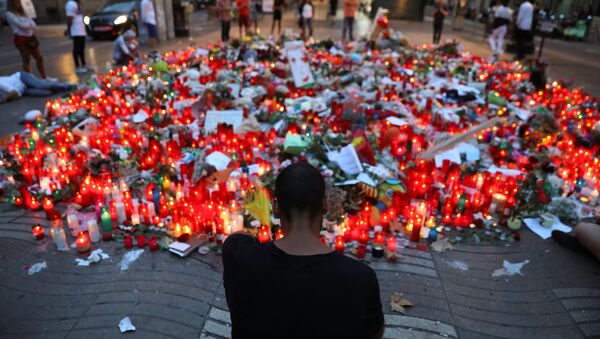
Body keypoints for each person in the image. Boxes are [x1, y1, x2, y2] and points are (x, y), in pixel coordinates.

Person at [222, 162, 384, 338]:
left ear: (275, 207)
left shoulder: (241, 258)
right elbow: (373, 333)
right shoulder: (359, 278)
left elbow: (237, 238)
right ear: (324, 205)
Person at [6, 0, 48, 79]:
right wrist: (29, 25)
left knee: (39, 58)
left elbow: (34, 24)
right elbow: (22, 25)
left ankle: (45, 77)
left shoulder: (23, 12)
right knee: (26, 59)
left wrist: (28, 24)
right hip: (21, 38)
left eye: (19, 2)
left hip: (31, 37)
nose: (19, 4)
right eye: (17, 2)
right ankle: (31, 79)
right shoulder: (9, 14)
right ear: (12, 3)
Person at [0, 71, 74, 98]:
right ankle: (60, 88)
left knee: (42, 86)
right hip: (24, 90)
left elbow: (14, 92)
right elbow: (17, 94)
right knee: (46, 93)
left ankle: (67, 85)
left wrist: (4, 100)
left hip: (21, 78)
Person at [65, 0, 90, 74]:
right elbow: (69, 18)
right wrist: (68, 30)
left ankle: (84, 64)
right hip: (75, 30)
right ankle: (77, 66)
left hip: (81, 29)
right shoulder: (70, 4)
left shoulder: (76, 3)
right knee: (77, 48)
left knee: (82, 48)